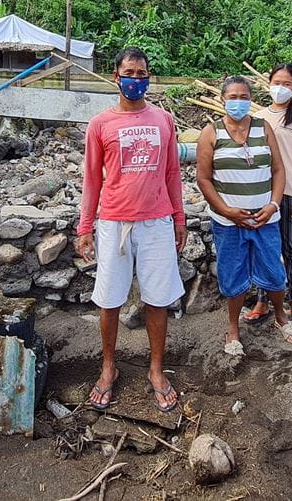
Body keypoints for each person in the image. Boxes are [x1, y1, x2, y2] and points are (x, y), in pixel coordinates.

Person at [75, 46, 187, 413]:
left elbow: (172, 173)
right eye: (129, 73)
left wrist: (179, 218)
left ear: (148, 77)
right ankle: (108, 367)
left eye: (141, 74)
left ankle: (155, 369)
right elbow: (92, 178)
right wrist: (85, 226)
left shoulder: (164, 120)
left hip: (156, 222)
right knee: (110, 300)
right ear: (115, 76)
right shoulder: (100, 124)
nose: (135, 80)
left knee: (157, 299)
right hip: (113, 222)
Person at [196, 75, 292, 356]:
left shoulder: (263, 127)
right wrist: (226, 210)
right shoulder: (211, 132)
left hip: (266, 219)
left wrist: (274, 205)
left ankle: (281, 317)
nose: (239, 102)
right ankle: (233, 328)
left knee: (274, 272)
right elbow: (204, 179)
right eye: (233, 97)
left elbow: (278, 170)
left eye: (244, 97)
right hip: (228, 223)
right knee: (233, 276)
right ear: (222, 99)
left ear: (252, 100)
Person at [245, 63, 292, 326]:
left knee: (291, 248)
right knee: (264, 248)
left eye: (287, 84)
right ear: (268, 84)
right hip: (263, 193)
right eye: (277, 82)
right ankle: (263, 300)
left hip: (288, 193)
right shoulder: (259, 117)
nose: (281, 88)